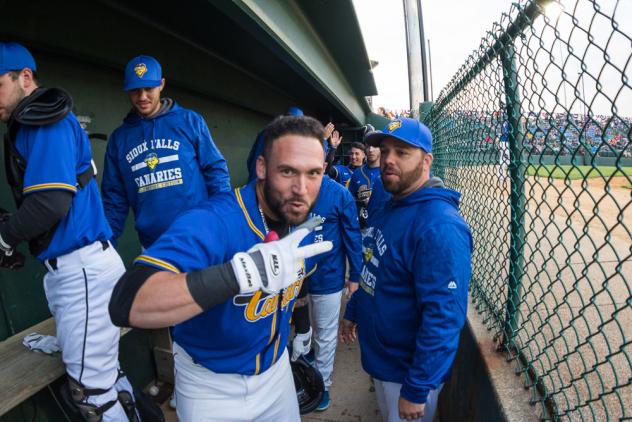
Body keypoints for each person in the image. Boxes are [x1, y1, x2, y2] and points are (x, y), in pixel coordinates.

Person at [109, 115, 333, 421]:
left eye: (314, 173)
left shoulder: (300, 215)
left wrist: (303, 325)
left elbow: (293, 272)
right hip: (212, 385)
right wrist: (238, 274)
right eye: (288, 171)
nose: (301, 188)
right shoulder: (215, 220)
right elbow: (128, 301)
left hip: (277, 371)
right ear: (262, 168)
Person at [0, 42, 140, 421]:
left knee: (93, 394)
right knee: (105, 375)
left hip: (82, 272)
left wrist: (5, 237)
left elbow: (50, 204)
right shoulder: (38, 121)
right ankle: (70, 343)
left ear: (24, 77)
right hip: (81, 269)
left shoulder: (42, 120)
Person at [339, 117, 473, 422]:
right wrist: (354, 310)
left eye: (402, 152)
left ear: (426, 161)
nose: (388, 160)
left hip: (406, 374)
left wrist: (417, 389)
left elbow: (444, 317)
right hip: (385, 363)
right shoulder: (391, 205)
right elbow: (374, 267)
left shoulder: (440, 226)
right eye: (385, 151)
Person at [102, 55, 231, 250]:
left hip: (199, 237)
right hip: (153, 245)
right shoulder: (119, 139)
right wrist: (106, 242)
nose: (142, 97)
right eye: (135, 91)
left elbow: (215, 171)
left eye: (149, 89)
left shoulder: (190, 121)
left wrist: (223, 218)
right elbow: (114, 198)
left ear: (161, 84)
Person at [291, 174, 363, 411]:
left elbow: (352, 236)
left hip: (328, 276)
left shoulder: (338, 194)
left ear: (323, 164)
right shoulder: (290, 188)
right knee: (301, 328)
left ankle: (322, 385)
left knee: (325, 332)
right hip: (295, 277)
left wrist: (354, 276)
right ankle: (305, 359)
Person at [348, 138, 381, 228]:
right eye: (368, 146)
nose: (370, 149)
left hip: (383, 225)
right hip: (362, 226)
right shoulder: (357, 173)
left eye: (374, 146)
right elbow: (350, 201)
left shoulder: (388, 171)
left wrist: (375, 201)